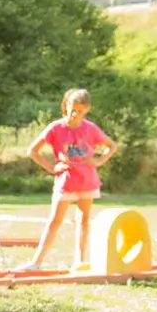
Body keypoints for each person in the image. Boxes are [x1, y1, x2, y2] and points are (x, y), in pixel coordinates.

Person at [19, 88, 118, 271]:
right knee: (55, 220)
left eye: (80, 111)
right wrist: (51, 168)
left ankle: (79, 261)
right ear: (66, 105)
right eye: (73, 108)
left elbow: (111, 146)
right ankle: (36, 262)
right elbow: (32, 150)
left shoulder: (90, 128)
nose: (75, 113)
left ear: (87, 109)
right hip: (66, 181)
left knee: (83, 220)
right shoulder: (56, 128)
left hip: (87, 181)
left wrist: (98, 160)